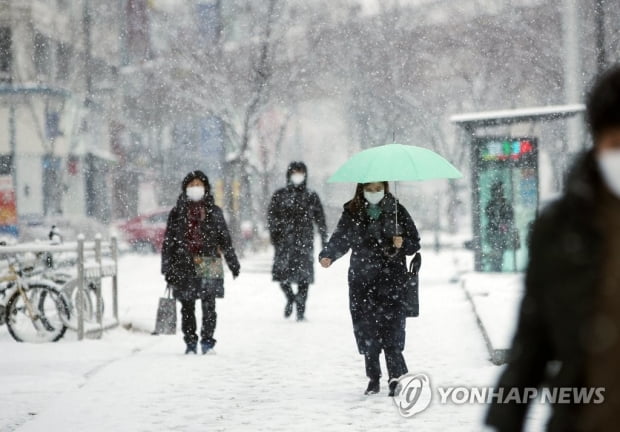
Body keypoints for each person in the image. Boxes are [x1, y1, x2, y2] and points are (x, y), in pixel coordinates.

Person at [486, 65, 620, 431]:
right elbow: (532, 338)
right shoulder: (560, 227)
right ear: (597, 142)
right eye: (616, 144)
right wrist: (504, 419)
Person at [319, 182, 420, 396]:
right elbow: (341, 238)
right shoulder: (352, 212)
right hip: (362, 281)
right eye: (370, 189)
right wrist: (328, 255)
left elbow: (414, 243)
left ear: (385, 188)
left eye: (378, 188)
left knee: (392, 330)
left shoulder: (396, 210)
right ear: (361, 189)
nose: (374, 193)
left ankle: (395, 376)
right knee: (368, 331)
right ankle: (373, 378)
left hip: (392, 279)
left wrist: (403, 243)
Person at [161, 170, 240, 355]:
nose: (195, 188)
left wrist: (233, 262)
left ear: (205, 187)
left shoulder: (214, 211)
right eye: (191, 185)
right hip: (183, 262)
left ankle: (207, 342)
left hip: (209, 260)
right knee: (187, 306)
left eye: (199, 184)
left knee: (209, 306)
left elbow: (225, 239)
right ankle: (190, 342)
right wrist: (167, 268)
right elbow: (168, 243)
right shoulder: (177, 212)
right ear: (185, 188)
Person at [267, 161, 328, 321]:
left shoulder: (311, 196)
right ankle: (291, 299)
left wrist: (324, 240)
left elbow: (320, 219)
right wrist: (275, 235)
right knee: (282, 276)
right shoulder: (279, 195)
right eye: (294, 172)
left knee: (304, 278)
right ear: (289, 174)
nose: (297, 175)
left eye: (300, 172)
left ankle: (301, 311)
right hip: (284, 243)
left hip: (304, 243)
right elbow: (271, 217)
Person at [484, 181, 517, 272]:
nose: (498, 194)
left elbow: (510, 216)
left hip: (502, 233)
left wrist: (504, 223)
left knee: (499, 251)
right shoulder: (491, 205)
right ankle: (495, 266)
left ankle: (497, 266)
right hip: (494, 232)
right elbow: (489, 216)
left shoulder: (505, 204)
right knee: (496, 251)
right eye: (496, 192)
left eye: (500, 191)